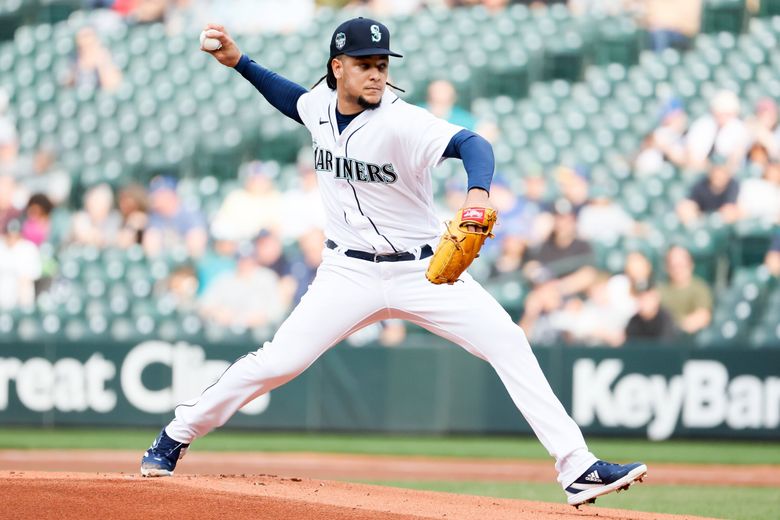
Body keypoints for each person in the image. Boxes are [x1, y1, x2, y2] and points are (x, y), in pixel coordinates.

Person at [140, 18, 646, 506]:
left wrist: (476, 194)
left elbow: (473, 143)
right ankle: (174, 435)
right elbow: (290, 98)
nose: (377, 72)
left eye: (382, 63)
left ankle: (576, 468)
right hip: (347, 273)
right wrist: (240, 62)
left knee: (509, 342)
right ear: (338, 67)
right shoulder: (319, 105)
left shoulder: (402, 121)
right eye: (365, 63)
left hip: (423, 272)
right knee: (278, 362)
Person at [658, 245, 712, 335]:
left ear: (691, 264)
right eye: (673, 265)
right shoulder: (660, 290)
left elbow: (703, 317)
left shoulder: (700, 287)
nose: (677, 269)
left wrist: (677, 326)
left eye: (681, 264)